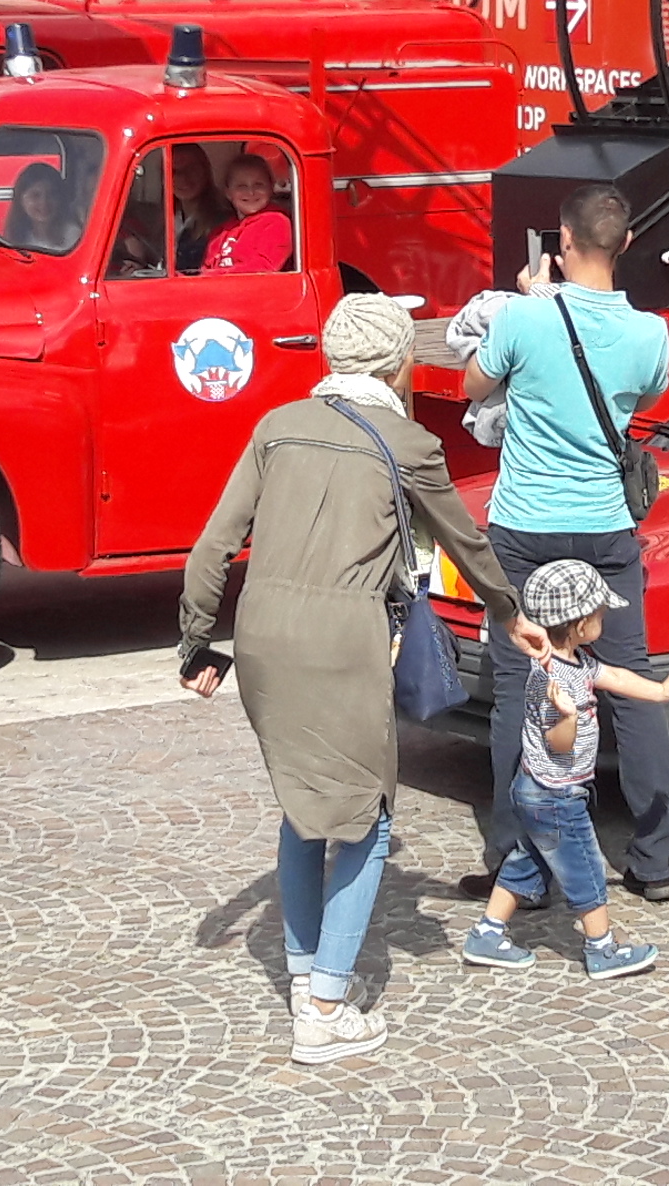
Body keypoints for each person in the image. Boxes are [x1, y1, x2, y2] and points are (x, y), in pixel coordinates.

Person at [177, 293, 538, 1064]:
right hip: (343, 639)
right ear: (399, 362)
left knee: (304, 806)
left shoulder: (276, 427)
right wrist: (512, 611)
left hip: (262, 635)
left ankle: (307, 970)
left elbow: (212, 548)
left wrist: (196, 645)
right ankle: (325, 1007)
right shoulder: (409, 443)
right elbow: (467, 542)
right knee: (369, 822)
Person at [465, 183, 669, 901]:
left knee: (515, 687)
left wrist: (533, 304)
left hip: (523, 526)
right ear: (624, 245)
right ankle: (653, 860)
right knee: (633, 686)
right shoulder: (651, 333)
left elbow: (473, 385)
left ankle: (516, 862)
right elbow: (641, 399)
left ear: (562, 241)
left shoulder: (526, 316)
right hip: (603, 527)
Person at [464, 557, 669, 981]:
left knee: (529, 860)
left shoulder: (577, 662)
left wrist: (659, 692)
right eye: (599, 613)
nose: (604, 618)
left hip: (537, 791)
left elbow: (614, 675)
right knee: (584, 868)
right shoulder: (551, 682)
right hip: (555, 795)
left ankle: (486, 934)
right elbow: (557, 744)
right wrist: (569, 717)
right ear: (579, 625)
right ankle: (602, 949)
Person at [203, 152, 291, 277]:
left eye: (258, 185)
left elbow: (264, 268)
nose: (250, 192)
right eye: (241, 186)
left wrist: (218, 276)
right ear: (228, 193)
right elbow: (205, 269)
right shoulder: (220, 232)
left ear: (271, 188)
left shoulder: (277, 222)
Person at [169, 142, 229, 274]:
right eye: (174, 171)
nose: (183, 178)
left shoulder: (225, 222)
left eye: (191, 169)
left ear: (205, 171)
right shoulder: (162, 218)